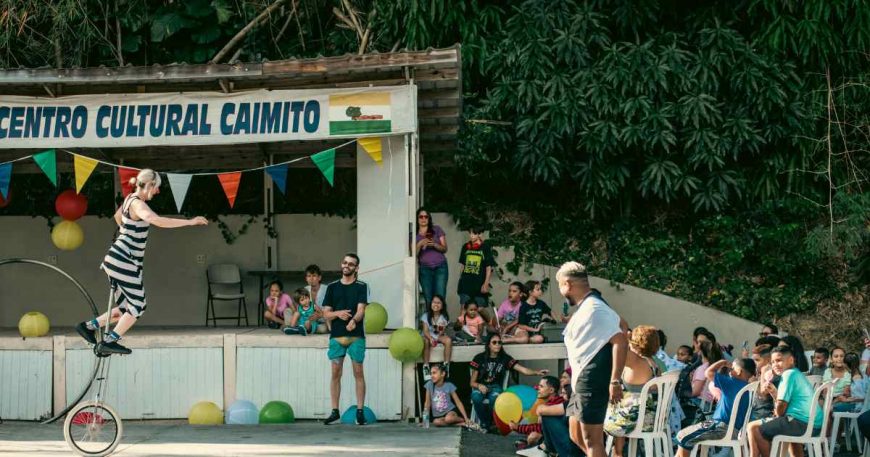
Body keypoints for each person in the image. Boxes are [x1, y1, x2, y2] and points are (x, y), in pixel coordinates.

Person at [76, 169, 208, 355]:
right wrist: (189, 222)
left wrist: (126, 233)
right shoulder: (138, 204)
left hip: (118, 258)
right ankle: (110, 341)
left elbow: (117, 217)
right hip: (124, 259)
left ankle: (88, 327)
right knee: (138, 305)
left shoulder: (129, 199)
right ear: (150, 185)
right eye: (157, 188)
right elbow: (157, 221)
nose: (158, 192)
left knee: (125, 310)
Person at [559, 261, 628, 457]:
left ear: (567, 284)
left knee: (592, 441)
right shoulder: (590, 306)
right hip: (580, 378)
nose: (561, 292)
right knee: (575, 433)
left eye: (560, 286)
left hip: (591, 379)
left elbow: (621, 341)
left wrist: (614, 380)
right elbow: (622, 323)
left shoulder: (595, 308)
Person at [747, 346, 823, 457]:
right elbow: (784, 405)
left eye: (779, 360)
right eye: (772, 362)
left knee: (755, 428)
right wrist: (774, 393)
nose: (775, 365)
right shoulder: (795, 373)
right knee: (787, 429)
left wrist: (777, 412)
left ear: (791, 360)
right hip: (813, 423)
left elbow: (781, 409)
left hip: (802, 423)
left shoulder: (788, 375)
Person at [321, 253, 369, 426]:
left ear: (356, 268)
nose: (346, 265)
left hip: (355, 337)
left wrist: (354, 321)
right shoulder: (332, 287)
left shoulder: (362, 286)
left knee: (358, 373)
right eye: (344, 262)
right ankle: (334, 411)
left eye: (351, 264)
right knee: (335, 373)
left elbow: (361, 309)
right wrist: (338, 314)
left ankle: (360, 411)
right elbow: (326, 313)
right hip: (336, 337)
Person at [675, 358, 756, 457]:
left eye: (732, 368)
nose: (730, 370)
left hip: (720, 427)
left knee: (683, 437)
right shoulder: (750, 388)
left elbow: (708, 372)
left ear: (739, 371)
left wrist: (721, 362)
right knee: (688, 438)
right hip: (736, 431)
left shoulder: (731, 382)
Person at [469, 334, 549, 431]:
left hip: (495, 387)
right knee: (476, 397)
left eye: (499, 342)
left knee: (495, 398)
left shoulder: (505, 358)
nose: (497, 345)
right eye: (494, 342)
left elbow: (522, 369)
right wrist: (479, 385)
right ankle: (486, 423)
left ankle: (489, 423)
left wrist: (536, 372)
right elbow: (472, 382)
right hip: (480, 386)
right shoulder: (479, 358)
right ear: (488, 345)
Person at [604, 325, 662, 457]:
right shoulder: (654, 363)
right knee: (620, 408)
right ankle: (618, 452)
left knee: (599, 417)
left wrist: (626, 337)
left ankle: (617, 453)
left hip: (637, 419)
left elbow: (618, 348)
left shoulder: (636, 361)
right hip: (652, 417)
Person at [511, 376, 571, 453]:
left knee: (534, 436)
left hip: (564, 442)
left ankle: (541, 449)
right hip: (561, 439)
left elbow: (541, 427)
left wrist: (518, 428)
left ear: (551, 390)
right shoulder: (551, 402)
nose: (537, 388)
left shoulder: (557, 403)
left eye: (541, 386)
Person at [457, 226, 496, 324]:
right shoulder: (465, 247)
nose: (471, 236)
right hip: (466, 282)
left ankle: (491, 323)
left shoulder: (485, 248)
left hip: (479, 283)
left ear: (480, 234)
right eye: (470, 233)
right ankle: (461, 330)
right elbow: (462, 264)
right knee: (463, 307)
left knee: (480, 308)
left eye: (474, 233)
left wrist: (486, 283)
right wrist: (460, 278)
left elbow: (488, 267)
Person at [415, 208, 448, 308]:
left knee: (440, 297)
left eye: (426, 216)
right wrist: (420, 244)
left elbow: (445, 248)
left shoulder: (436, 229)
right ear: (417, 218)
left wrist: (434, 244)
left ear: (429, 218)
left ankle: (441, 322)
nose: (423, 219)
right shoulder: (414, 234)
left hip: (440, 267)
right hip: (425, 269)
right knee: (428, 298)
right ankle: (430, 322)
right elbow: (413, 255)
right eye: (421, 217)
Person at [513, 280, 555, 345]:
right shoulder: (524, 306)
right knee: (524, 337)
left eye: (540, 289)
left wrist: (555, 320)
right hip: (525, 330)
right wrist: (534, 330)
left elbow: (550, 311)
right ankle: (509, 340)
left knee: (539, 339)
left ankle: (525, 340)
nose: (540, 291)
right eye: (538, 289)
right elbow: (521, 325)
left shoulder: (541, 303)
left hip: (535, 332)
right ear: (530, 292)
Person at [421, 294, 453, 381]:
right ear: (431, 304)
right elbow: (425, 331)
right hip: (427, 336)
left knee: (448, 340)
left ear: (442, 305)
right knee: (426, 341)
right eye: (434, 302)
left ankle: (446, 365)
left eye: (439, 303)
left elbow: (440, 332)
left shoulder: (444, 317)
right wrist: (431, 339)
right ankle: (426, 367)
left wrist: (439, 333)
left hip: (437, 336)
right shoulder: (425, 315)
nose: (436, 304)